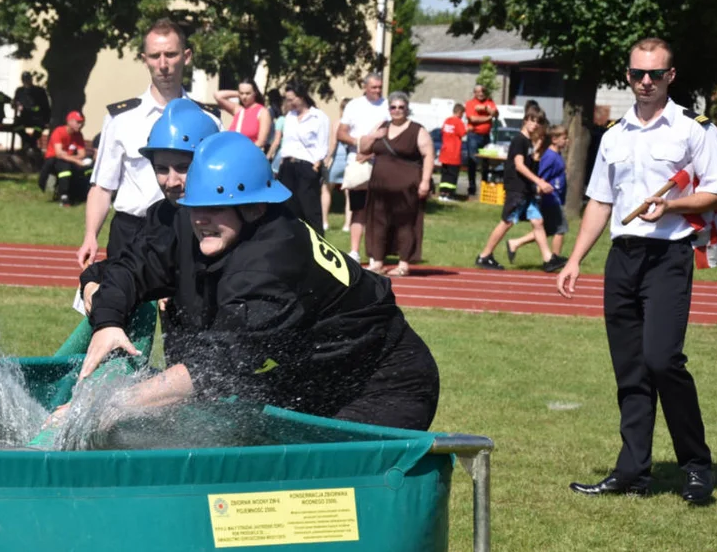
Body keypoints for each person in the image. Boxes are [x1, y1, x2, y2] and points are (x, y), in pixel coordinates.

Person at [52, 131, 440, 433]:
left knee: (318, 488)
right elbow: (133, 267)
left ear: (254, 206)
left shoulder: (272, 260)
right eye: (195, 207)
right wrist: (108, 321)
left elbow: (215, 364)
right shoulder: (206, 226)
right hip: (308, 376)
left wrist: (108, 406)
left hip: (381, 382)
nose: (201, 218)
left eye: (214, 208)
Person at [558, 38, 717, 505]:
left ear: (671, 76)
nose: (646, 82)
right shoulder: (614, 134)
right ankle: (633, 471)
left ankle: (696, 466)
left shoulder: (694, 130)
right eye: (637, 74)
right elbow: (600, 200)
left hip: (668, 258)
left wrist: (671, 204)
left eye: (655, 74)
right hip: (624, 258)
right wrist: (575, 259)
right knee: (630, 370)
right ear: (628, 76)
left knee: (662, 361)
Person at [78, 18, 218, 268]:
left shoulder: (209, 120)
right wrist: (90, 235)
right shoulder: (120, 118)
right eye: (155, 56)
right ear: (144, 60)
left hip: (188, 231)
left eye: (171, 54)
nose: (163, 64)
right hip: (133, 233)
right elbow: (102, 187)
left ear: (186, 57)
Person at [79, 98, 220, 329]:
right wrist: (94, 281)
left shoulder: (252, 221)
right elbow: (136, 267)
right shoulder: (166, 215)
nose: (171, 181)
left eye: (184, 167)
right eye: (162, 169)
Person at [473, 110, 567, 272]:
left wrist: (536, 155)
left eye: (538, 122)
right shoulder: (519, 140)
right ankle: (485, 255)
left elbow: (529, 164)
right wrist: (539, 182)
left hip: (527, 190)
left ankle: (548, 259)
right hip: (517, 189)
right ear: (525, 121)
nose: (535, 124)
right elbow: (519, 165)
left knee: (538, 222)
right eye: (532, 120)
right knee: (507, 222)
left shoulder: (529, 143)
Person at [359, 92, 435, 276]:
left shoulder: (417, 130)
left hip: (407, 188)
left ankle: (403, 264)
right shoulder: (381, 126)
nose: (397, 110)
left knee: (405, 224)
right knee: (378, 223)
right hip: (379, 187)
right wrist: (374, 135)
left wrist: (425, 182)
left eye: (401, 107)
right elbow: (363, 148)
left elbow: (428, 155)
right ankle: (377, 262)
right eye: (393, 107)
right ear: (389, 109)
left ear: (407, 109)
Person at [338, 73, 390, 252]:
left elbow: (390, 135)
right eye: (374, 87)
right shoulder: (354, 106)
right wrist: (359, 144)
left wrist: (369, 152)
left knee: (379, 211)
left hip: (381, 162)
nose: (377, 91)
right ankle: (354, 251)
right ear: (365, 87)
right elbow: (341, 133)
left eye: (379, 87)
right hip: (357, 164)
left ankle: (376, 252)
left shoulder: (387, 105)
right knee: (359, 209)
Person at [507, 124, 568, 259]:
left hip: (556, 197)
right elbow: (541, 176)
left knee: (545, 230)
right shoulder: (550, 156)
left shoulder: (557, 155)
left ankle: (515, 243)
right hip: (549, 198)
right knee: (560, 229)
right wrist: (539, 191)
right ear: (554, 139)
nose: (567, 141)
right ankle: (555, 257)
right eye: (564, 138)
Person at [277, 81, 329, 235]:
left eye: (292, 99)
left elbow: (322, 144)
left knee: (310, 209)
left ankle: (319, 243)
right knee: (288, 208)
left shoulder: (318, 117)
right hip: (287, 165)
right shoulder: (290, 117)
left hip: (306, 165)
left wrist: (317, 164)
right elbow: (286, 141)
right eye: (287, 100)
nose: (289, 103)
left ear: (302, 97)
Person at [40, 111, 92, 205]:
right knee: (65, 167)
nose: (80, 125)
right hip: (52, 161)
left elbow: (82, 154)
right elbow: (59, 154)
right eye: (78, 122)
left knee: (83, 168)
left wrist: (68, 156)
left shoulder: (78, 135)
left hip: (67, 159)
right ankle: (63, 195)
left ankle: (80, 194)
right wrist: (76, 160)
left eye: (82, 122)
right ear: (70, 121)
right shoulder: (59, 131)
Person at [214, 78, 272, 149]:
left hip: (248, 155)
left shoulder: (262, 112)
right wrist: (238, 93)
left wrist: (244, 151)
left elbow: (261, 141)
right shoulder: (238, 110)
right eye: (241, 93)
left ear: (255, 93)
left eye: (248, 93)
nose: (244, 97)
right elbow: (218, 96)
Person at [464, 84, 499, 197]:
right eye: (478, 91)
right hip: (474, 135)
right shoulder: (470, 103)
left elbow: (496, 113)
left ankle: (484, 186)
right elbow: (473, 119)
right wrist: (488, 117)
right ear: (474, 93)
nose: (481, 93)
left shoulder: (489, 102)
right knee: (472, 161)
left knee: (486, 162)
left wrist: (485, 108)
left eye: (483, 91)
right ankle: (472, 187)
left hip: (486, 136)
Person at [322, 98, 352, 231]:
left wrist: (327, 158)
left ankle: (324, 221)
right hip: (350, 158)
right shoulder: (355, 123)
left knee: (326, 189)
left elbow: (333, 142)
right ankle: (347, 224)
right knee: (349, 193)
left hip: (337, 158)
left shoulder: (337, 122)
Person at [13, 71, 50, 155]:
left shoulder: (39, 91)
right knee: (16, 125)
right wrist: (17, 105)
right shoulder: (19, 91)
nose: (26, 81)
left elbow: (45, 106)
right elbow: (15, 102)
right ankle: (31, 144)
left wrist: (46, 119)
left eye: (28, 79)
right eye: (24, 79)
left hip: (37, 117)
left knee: (39, 127)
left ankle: (28, 145)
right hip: (25, 116)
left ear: (31, 79)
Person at [438, 104, 467, 201]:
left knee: (445, 174)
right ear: (459, 112)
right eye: (462, 113)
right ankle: (449, 194)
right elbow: (463, 133)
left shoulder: (447, 120)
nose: (463, 115)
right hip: (454, 152)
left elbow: (442, 132)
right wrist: (470, 128)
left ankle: (442, 193)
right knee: (452, 175)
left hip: (445, 151)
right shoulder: (458, 122)